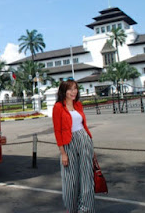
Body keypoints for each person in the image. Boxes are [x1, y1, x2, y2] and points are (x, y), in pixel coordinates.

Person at [52, 80, 95, 213]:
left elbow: (83, 125)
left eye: (75, 89)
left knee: (87, 177)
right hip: (69, 143)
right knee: (70, 179)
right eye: (70, 89)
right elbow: (57, 131)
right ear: (63, 92)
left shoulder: (78, 105)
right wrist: (63, 153)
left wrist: (91, 148)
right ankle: (71, 209)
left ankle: (86, 209)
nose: (73, 92)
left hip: (84, 140)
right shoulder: (58, 107)